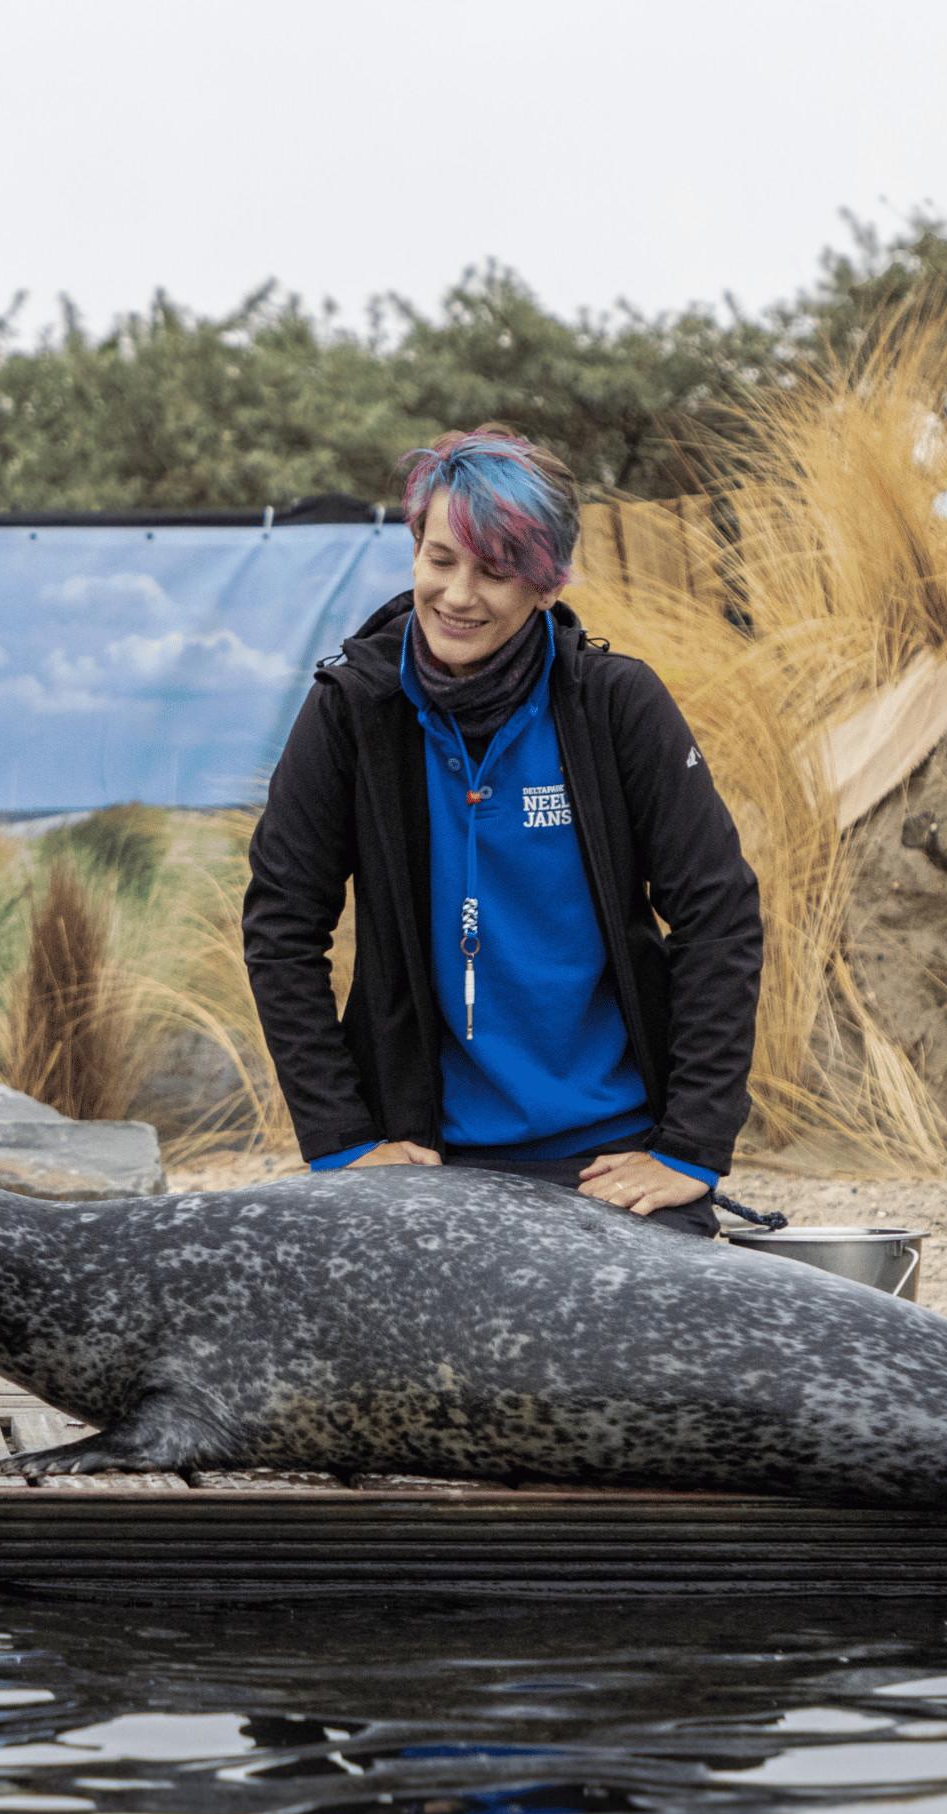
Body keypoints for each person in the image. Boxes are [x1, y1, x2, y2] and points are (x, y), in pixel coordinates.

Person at [241, 427, 761, 1238]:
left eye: (495, 570)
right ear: (414, 551)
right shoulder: (351, 710)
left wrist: (690, 1147)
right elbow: (280, 925)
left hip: (608, 1159)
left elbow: (717, 917)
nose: (457, 594)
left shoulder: (614, 705)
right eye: (441, 559)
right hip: (420, 1161)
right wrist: (343, 1143)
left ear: (545, 586)